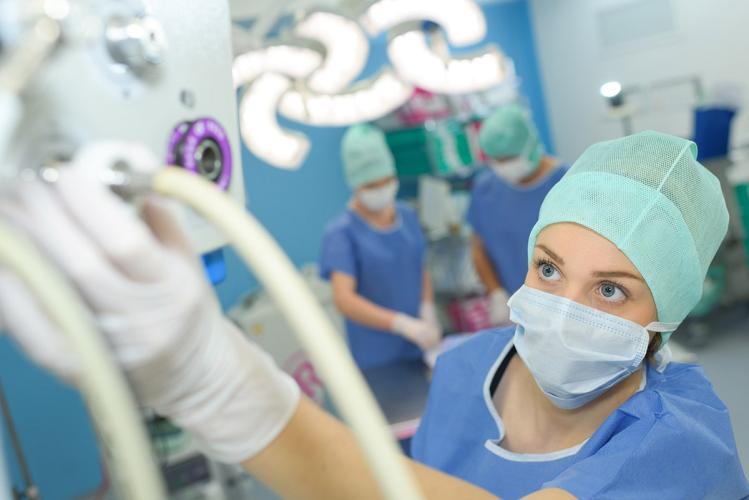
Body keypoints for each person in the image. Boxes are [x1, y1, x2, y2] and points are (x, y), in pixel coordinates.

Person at [2, 131, 748, 499]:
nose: (562, 308)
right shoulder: (464, 367)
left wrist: (213, 383)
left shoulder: (681, 449)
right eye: (547, 268)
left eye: (611, 290)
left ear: (665, 316)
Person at [319, 124, 441, 370]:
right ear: (355, 184)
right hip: (379, 359)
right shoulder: (342, 233)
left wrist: (427, 308)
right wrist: (401, 324)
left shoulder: (407, 215)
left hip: (421, 349)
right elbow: (344, 299)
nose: (382, 190)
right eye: (372, 186)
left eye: (387, 181)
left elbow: (419, 266)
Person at [469, 104, 566, 326]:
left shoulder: (567, 184)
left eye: (509, 158)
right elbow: (478, 248)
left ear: (529, 145)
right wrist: (496, 294)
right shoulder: (485, 190)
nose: (503, 166)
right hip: (515, 309)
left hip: (564, 308)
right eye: (497, 159)